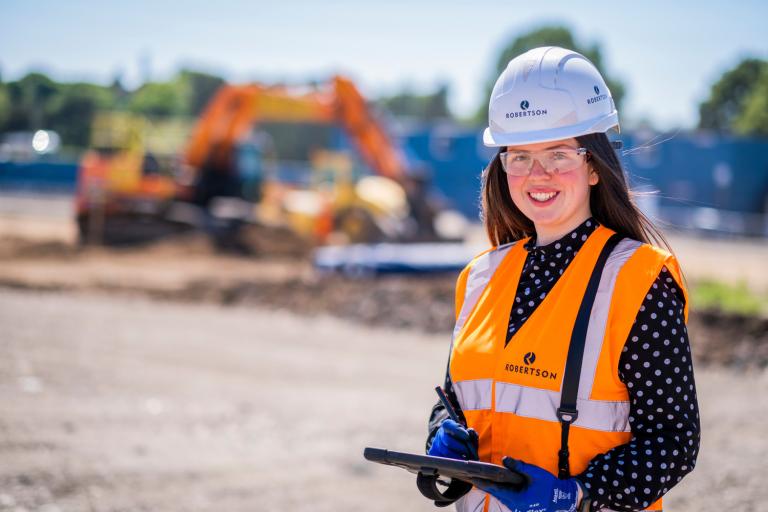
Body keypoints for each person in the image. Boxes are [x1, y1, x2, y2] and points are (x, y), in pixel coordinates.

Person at [425, 47, 700, 512]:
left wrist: (578, 495)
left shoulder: (639, 279)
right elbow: (455, 399)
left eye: (558, 154)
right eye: (520, 156)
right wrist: (441, 447)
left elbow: (674, 440)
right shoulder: (480, 277)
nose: (538, 174)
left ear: (593, 165)